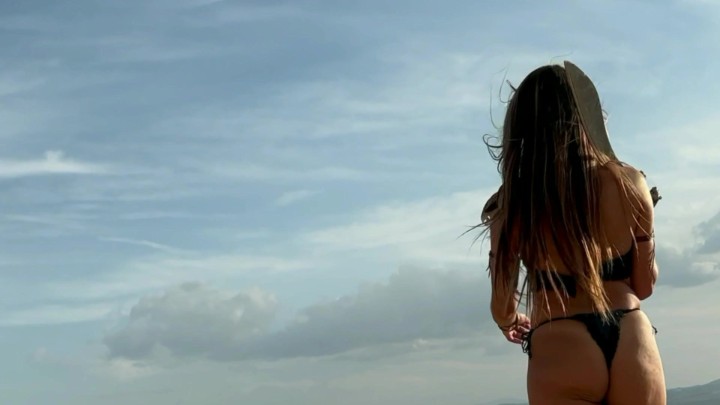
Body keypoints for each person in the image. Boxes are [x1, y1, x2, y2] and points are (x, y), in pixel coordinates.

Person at [479, 64, 666, 404]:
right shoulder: (629, 182)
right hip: (632, 336)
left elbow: (502, 305)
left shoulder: (513, 204)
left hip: (560, 341)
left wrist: (510, 321)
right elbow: (644, 285)